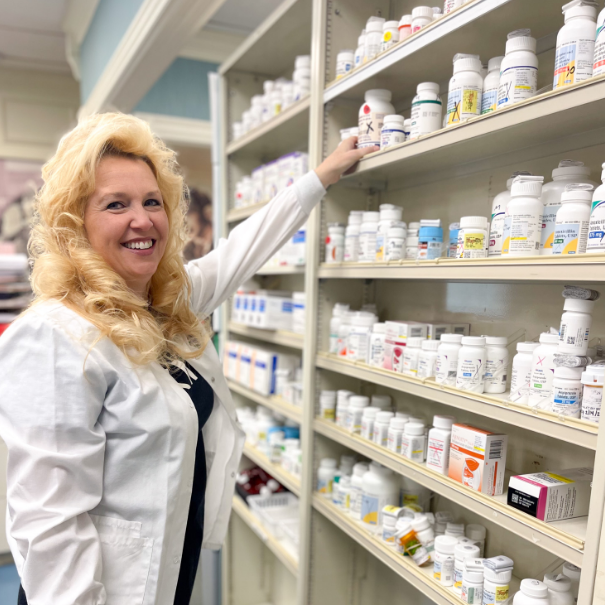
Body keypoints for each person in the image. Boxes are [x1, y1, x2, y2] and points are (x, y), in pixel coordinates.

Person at [0, 112, 377, 605]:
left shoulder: (162, 301)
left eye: (152, 201)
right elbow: (49, 523)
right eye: (116, 204)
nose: (143, 219)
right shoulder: (55, 335)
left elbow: (239, 252)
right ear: (75, 224)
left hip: (168, 569)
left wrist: (318, 178)